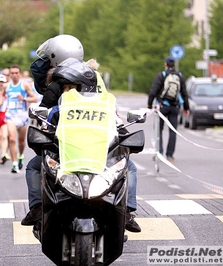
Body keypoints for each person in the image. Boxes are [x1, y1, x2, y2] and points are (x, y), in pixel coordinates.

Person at [22, 34, 141, 233]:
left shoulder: (57, 81)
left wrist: (121, 130)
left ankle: (37, 208)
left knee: (128, 165)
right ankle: (127, 212)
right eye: (67, 88)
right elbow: (48, 116)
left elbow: (107, 110)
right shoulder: (94, 76)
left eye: (72, 87)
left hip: (79, 142)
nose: (70, 91)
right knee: (129, 166)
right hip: (87, 141)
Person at [147, 56, 190, 161]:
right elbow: (184, 93)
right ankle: (170, 155)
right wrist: (186, 108)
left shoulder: (161, 75)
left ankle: (159, 153)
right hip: (175, 107)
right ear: (174, 65)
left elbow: (153, 91)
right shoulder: (180, 76)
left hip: (162, 106)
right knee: (172, 131)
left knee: (158, 130)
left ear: (165, 64)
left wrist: (149, 104)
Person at [5, 64, 38, 173]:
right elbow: (0, 96)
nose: (14, 75)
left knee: (21, 142)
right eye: (12, 73)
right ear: (10, 75)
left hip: (22, 116)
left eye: (16, 73)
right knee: (12, 139)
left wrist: (23, 99)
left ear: (19, 74)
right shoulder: (7, 86)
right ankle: (14, 164)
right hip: (11, 116)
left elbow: (34, 98)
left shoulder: (25, 85)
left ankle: (21, 156)